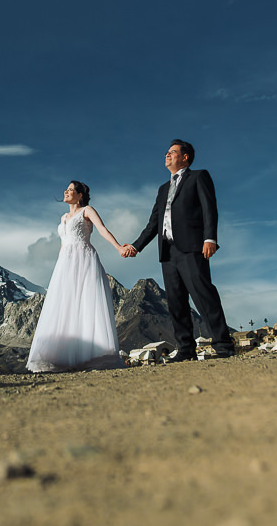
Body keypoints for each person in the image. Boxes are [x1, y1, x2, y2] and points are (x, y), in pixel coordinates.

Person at [121, 139, 233, 361]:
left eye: (172, 152)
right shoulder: (163, 189)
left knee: (203, 295)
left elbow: (209, 208)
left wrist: (210, 238)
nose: (167, 155)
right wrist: (135, 246)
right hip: (167, 252)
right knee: (176, 302)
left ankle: (223, 346)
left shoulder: (199, 177)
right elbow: (153, 223)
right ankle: (186, 350)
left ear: (185, 157)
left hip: (192, 247)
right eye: (167, 152)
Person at [26, 181, 127, 372]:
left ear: (80, 195)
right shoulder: (63, 217)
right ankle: (62, 356)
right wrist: (59, 267)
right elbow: (63, 244)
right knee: (65, 304)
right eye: (66, 189)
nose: (66, 191)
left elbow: (102, 229)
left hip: (84, 259)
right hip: (66, 263)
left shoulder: (87, 211)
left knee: (86, 303)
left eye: (71, 189)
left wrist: (119, 247)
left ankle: (90, 355)